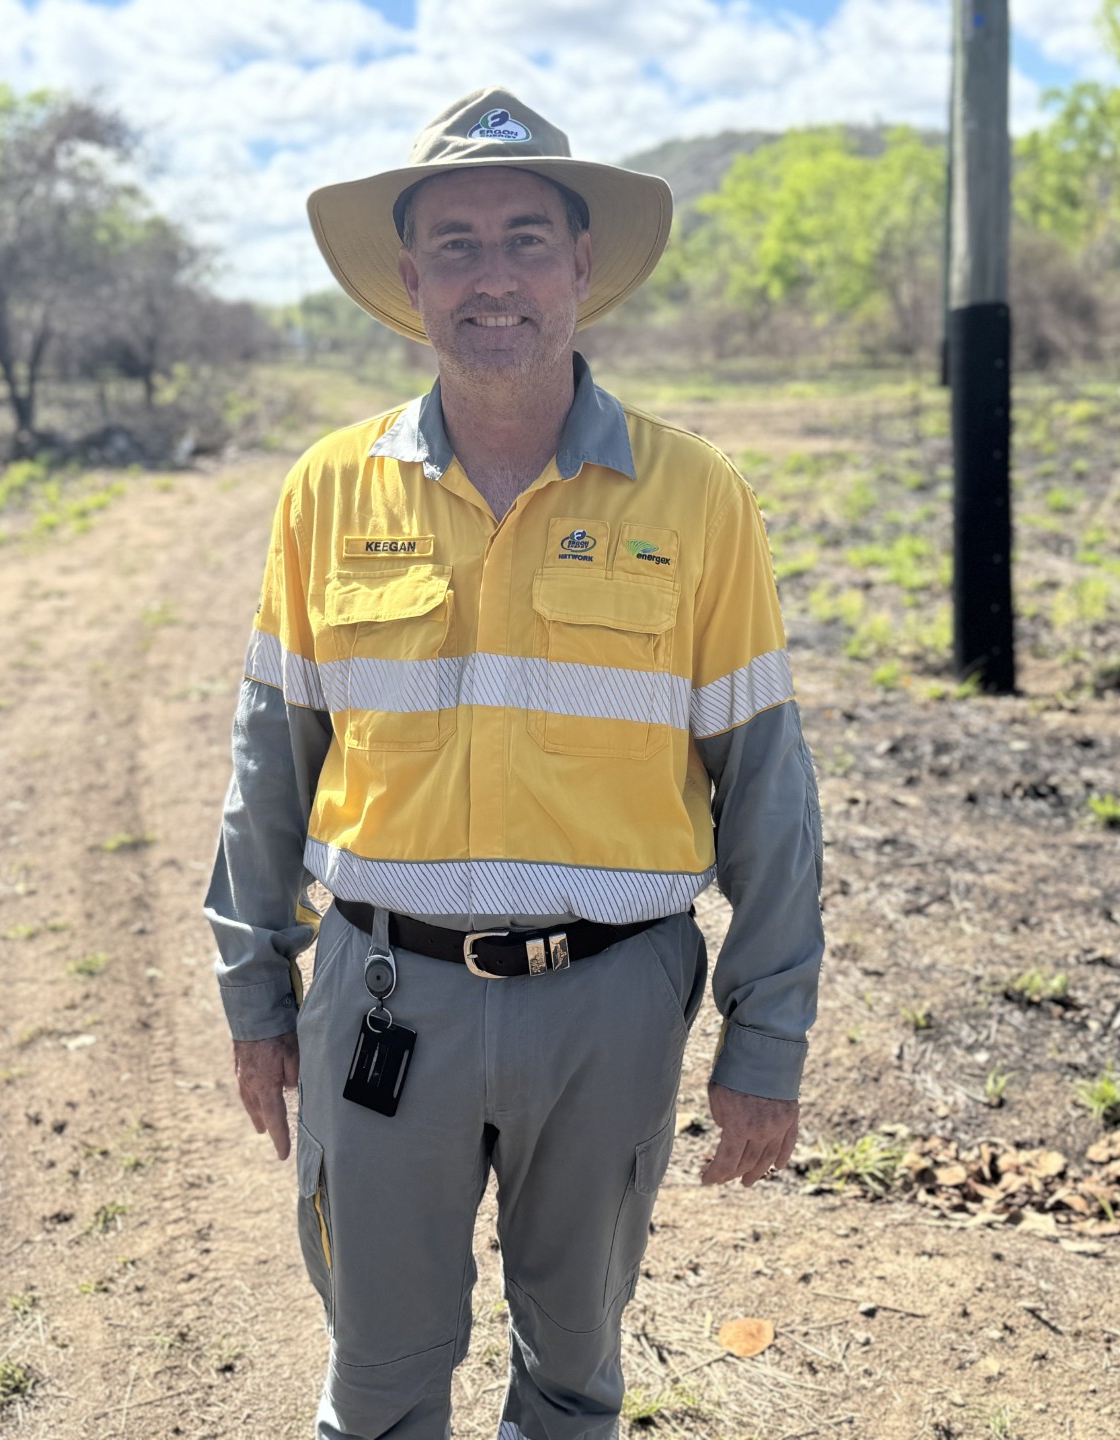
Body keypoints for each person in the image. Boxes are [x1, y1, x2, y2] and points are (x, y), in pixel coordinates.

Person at [203, 86, 823, 1440]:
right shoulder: (328, 492)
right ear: (411, 276)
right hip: (382, 1000)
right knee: (377, 1381)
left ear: (583, 266)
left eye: (527, 238)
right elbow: (274, 760)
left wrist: (764, 1037)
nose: (496, 277)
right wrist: (254, 989)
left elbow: (767, 787)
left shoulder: (695, 497)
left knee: (573, 1378)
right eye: (460, 243)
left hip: (611, 1006)